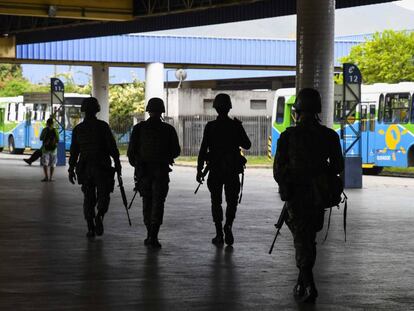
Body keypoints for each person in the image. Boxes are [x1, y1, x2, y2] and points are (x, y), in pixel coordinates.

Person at [273, 88, 344, 303]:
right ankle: (302, 281)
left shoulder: (288, 136)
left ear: (297, 110)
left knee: (301, 238)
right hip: (318, 196)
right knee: (308, 238)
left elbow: (278, 171)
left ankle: (309, 284)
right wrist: (321, 176)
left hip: (296, 195)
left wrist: (288, 185)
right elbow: (338, 166)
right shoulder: (329, 136)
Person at [197, 93, 251, 246]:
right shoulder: (235, 125)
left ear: (215, 108)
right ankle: (228, 225)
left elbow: (202, 150)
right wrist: (239, 129)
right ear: (229, 108)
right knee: (232, 201)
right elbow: (247, 145)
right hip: (232, 170)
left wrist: (199, 170)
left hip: (215, 170)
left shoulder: (210, 126)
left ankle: (219, 233)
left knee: (216, 202)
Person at [127, 97, 180, 249]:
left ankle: (149, 233)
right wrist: (165, 157)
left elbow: (131, 153)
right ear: (162, 111)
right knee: (158, 203)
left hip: (144, 172)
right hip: (161, 172)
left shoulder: (139, 129)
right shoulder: (168, 129)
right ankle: (154, 236)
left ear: (148, 111)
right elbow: (176, 151)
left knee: (147, 202)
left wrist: (138, 166)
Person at [68, 97, 121, 238]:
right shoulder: (103, 127)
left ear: (83, 110)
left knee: (88, 198)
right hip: (102, 167)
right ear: (97, 110)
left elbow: (74, 152)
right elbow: (112, 148)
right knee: (104, 196)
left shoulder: (78, 129)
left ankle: (90, 227)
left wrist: (71, 169)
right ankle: (100, 216)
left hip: (85, 169)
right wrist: (118, 164)